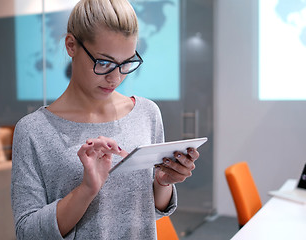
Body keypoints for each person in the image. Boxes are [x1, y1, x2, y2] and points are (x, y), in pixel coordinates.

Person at [11, 0, 200, 239]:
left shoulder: (146, 113)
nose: (115, 78)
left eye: (126, 63)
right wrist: (87, 189)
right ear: (71, 45)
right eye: (104, 62)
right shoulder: (33, 130)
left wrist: (162, 183)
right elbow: (27, 233)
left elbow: (146, 212)